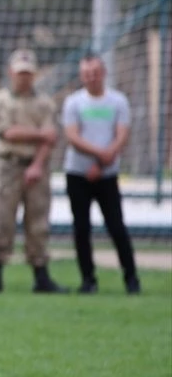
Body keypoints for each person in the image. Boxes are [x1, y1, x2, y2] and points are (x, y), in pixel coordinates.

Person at [0, 49, 66, 294]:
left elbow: (50, 140)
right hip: (8, 165)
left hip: (37, 167)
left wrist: (37, 165)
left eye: (28, 74)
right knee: (3, 219)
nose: (24, 78)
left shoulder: (45, 103)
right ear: (11, 73)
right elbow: (8, 133)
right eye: (20, 73)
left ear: (35, 74)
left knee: (38, 222)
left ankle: (41, 276)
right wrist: (39, 134)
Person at [62, 53, 140, 295]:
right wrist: (99, 155)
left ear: (104, 73)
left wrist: (106, 160)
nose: (91, 78)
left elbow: (122, 134)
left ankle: (131, 279)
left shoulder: (118, 101)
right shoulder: (74, 103)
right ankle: (88, 280)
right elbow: (73, 136)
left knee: (116, 226)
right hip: (78, 174)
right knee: (81, 228)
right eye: (86, 74)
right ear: (81, 76)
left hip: (107, 175)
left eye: (95, 73)